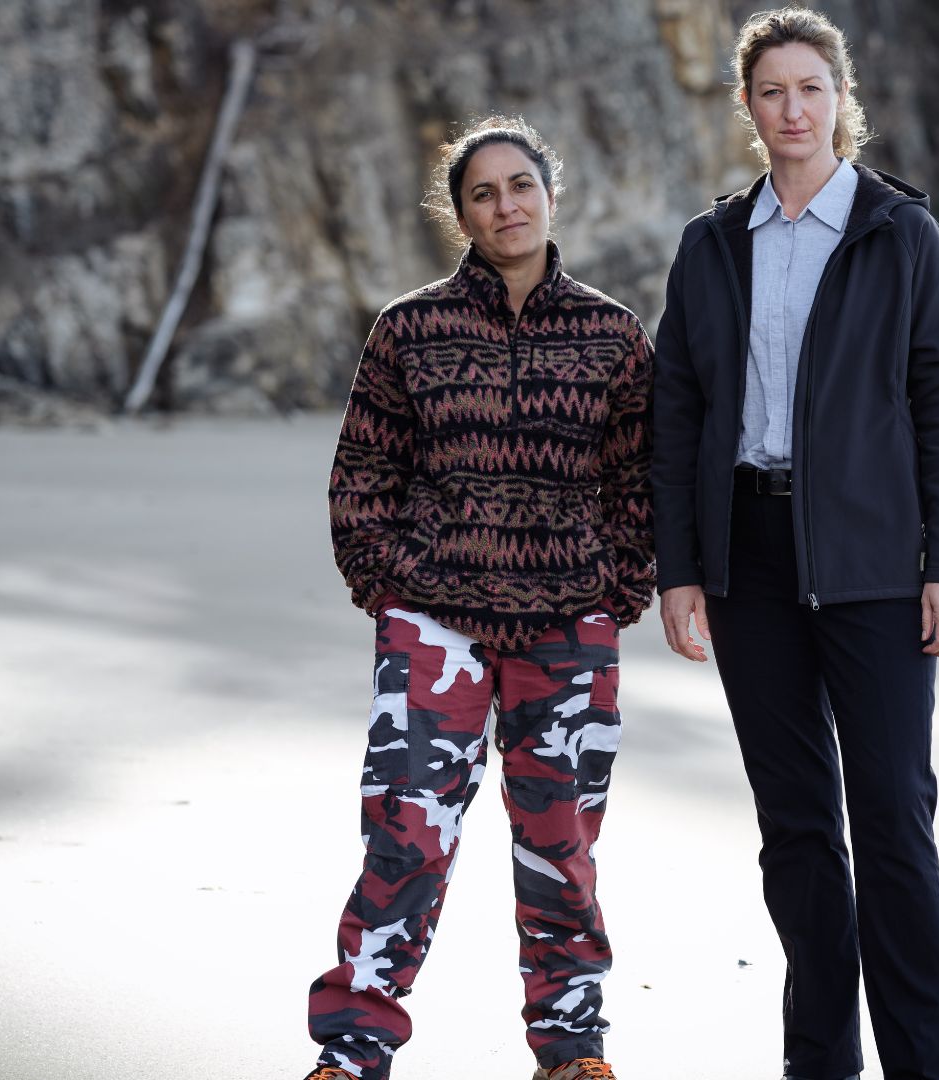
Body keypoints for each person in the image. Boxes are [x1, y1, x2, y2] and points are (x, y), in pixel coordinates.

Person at [652, 9, 939, 1080]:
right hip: (747, 557)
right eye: (771, 91)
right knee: (794, 828)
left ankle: (924, 1066)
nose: (793, 109)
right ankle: (819, 1064)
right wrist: (680, 568)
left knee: (891, 824)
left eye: (811, 88)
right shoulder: (710, 245)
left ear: (842, 100)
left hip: (876, 562)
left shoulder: (899, 234)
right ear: (747, 109)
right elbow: (680, 412)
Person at [304, 115, 653, 1080]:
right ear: (459, 213)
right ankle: (355, 1047)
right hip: (434, 625)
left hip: (567, 629)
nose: (506, 205)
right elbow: (363, 469)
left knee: (562, 847)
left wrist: (617, 590)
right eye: (483, 193)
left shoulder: (613, 334)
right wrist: (386, 585)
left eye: (521, 186)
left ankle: (571, 1047)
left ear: (552, 192)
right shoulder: (409, 328)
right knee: (405, 836)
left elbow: (637, 482)